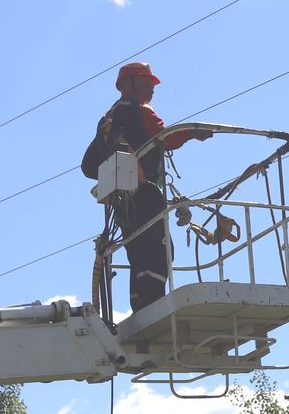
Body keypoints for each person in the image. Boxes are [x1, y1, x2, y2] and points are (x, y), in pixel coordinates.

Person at [80, 62, 208, 312]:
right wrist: (193, 132)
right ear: (128, 85)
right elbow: (167, 137)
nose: (152, 88)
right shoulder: (140, 109)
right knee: (158, 250)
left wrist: (116, 169)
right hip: (145, 195)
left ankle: (140, 306)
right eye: (146, 82)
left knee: (137, 253)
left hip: (123, 207)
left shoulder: (106, 120)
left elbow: (87, 166)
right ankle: (153, 308)